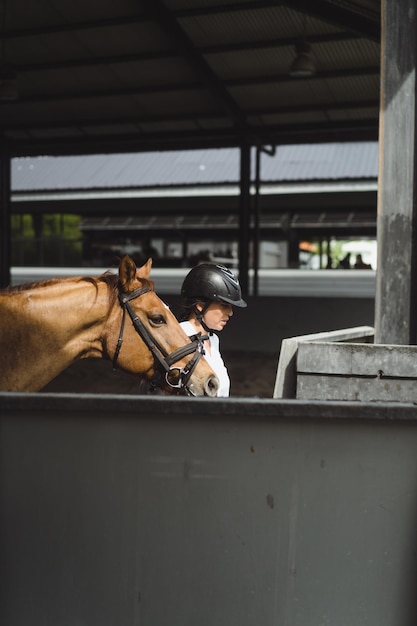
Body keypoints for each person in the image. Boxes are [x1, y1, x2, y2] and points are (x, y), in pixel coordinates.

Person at [178, 263, 247, 397]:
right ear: (200, 305)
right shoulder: (179, 337)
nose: (230, 313)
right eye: (224, 306)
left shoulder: (213, 340)